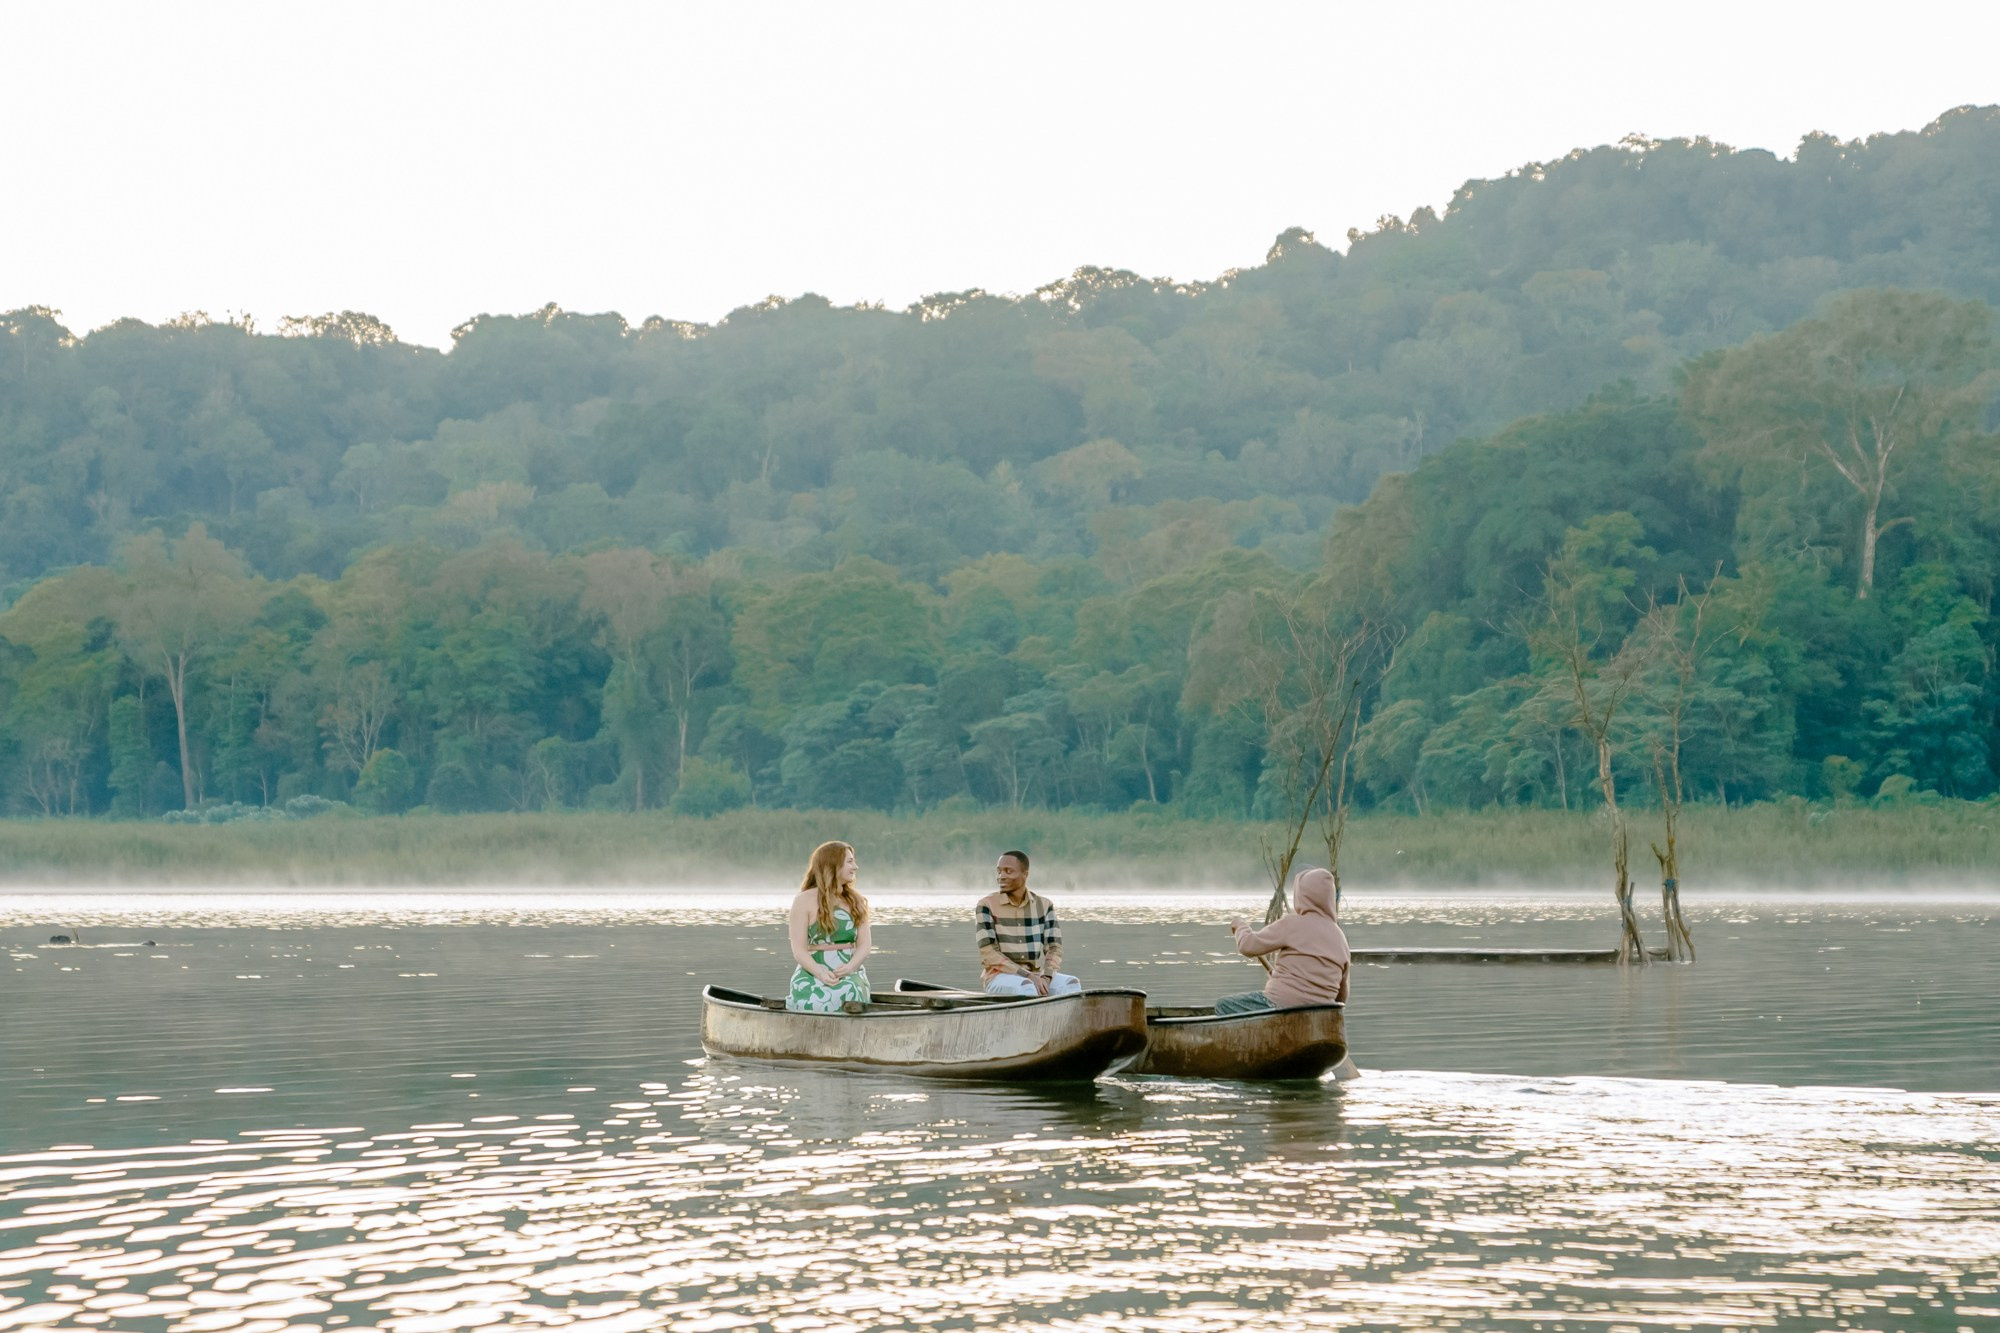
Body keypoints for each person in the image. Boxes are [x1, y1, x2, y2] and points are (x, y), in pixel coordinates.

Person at [1217, 866, 1349, 1014]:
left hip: (1279, 1006)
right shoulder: (1340, 938)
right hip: (1319, 1016)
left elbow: (1248, 946)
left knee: (1223, 1005)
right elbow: (1341, 997)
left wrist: (1240, 926)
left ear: (1302, 896)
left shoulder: (1292, 924)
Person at [975, 849, 1081, 997]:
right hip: (998, 977)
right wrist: (1029, 976)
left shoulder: (1044, 905)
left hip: (1036, 975)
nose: (1001, 876)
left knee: (1071, 983)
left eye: (1008, 871)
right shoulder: (986, 905)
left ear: (1025, 874)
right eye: (999, 871)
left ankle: (1064, 1020)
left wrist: (1046, 977)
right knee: (1026, 986)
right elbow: (988, 954)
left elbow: (1054, 948)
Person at [786, 840, 873, 1012]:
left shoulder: (856, 901)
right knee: (815, 1001)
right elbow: (799, 950)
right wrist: (819, 972)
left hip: (849, 973)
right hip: (812, 971)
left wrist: (850, 967)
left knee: (849, 993)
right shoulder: (803, 900)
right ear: (833, 865)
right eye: (850, 861)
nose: (855, 867)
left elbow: (865, 945)